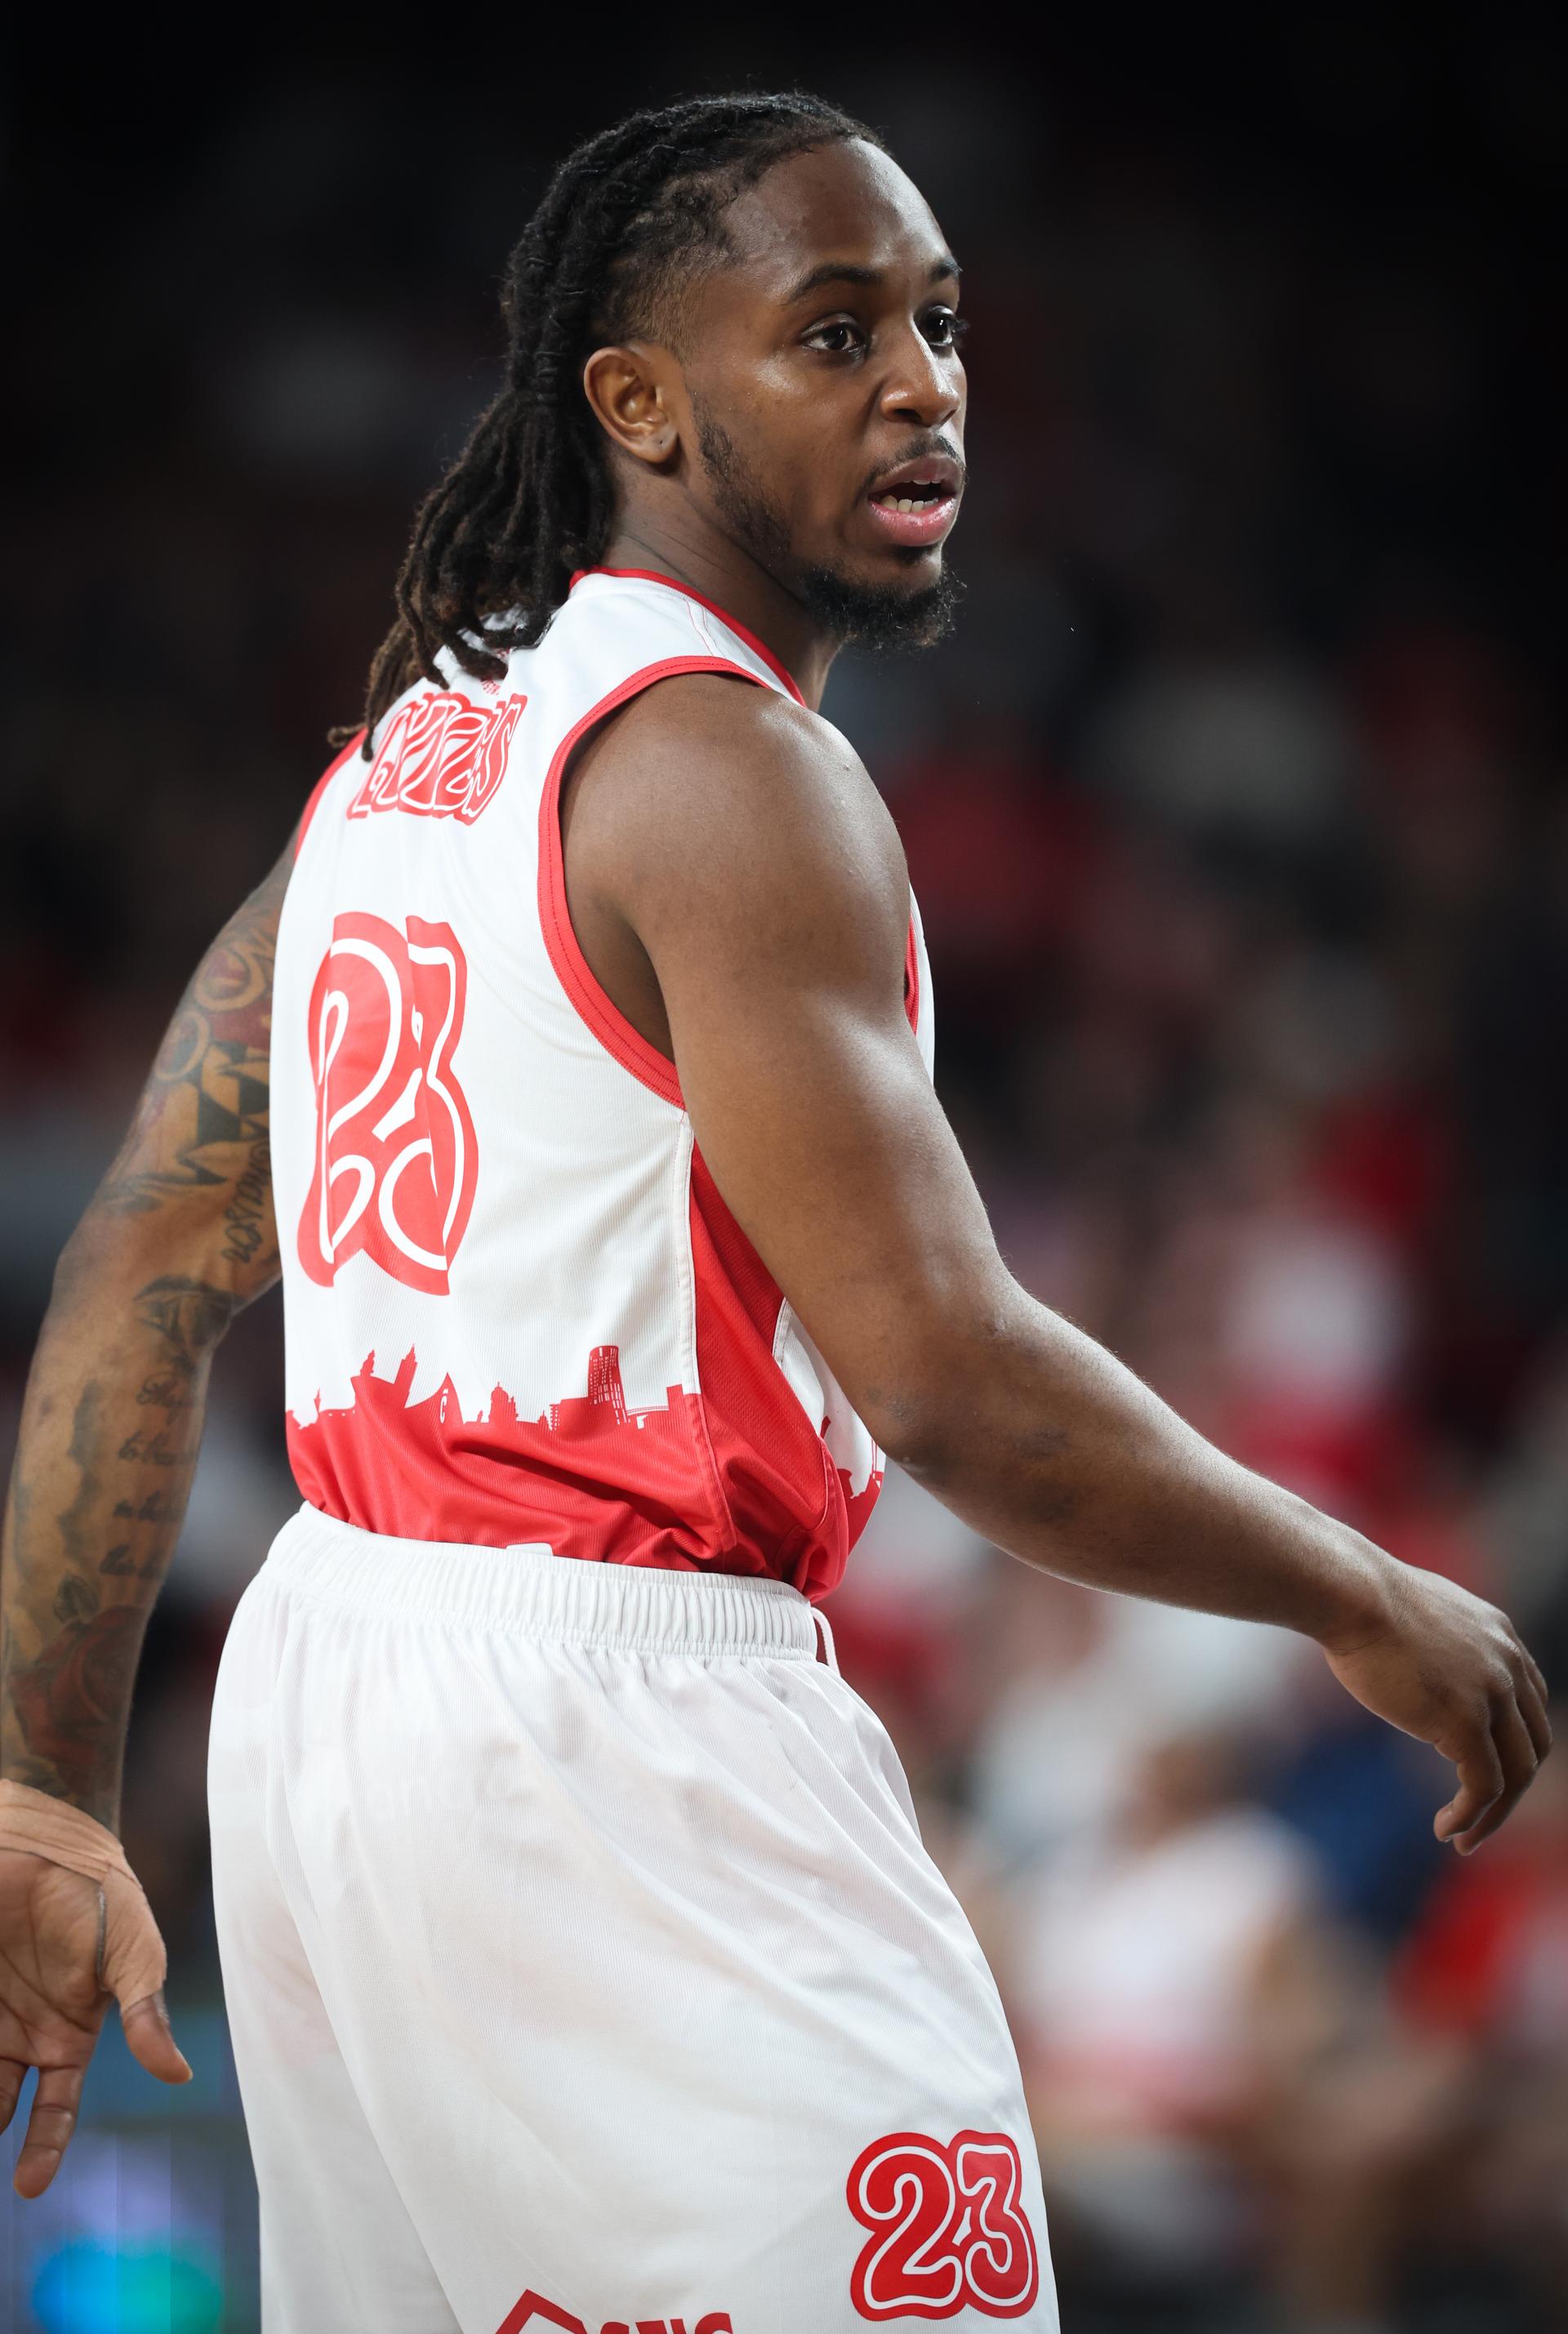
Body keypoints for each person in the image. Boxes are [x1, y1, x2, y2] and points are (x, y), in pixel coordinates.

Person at [0, 90, 1550, 2334]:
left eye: (935, 324)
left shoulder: (407, 757)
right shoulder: (732, 771)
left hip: (334, 1703)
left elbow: (142, 1250)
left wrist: (46, 1790)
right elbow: (941, 1369)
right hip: (615, 1719)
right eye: (832, 335)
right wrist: (1357, 1587)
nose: (922, 383)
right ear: (633, 401)